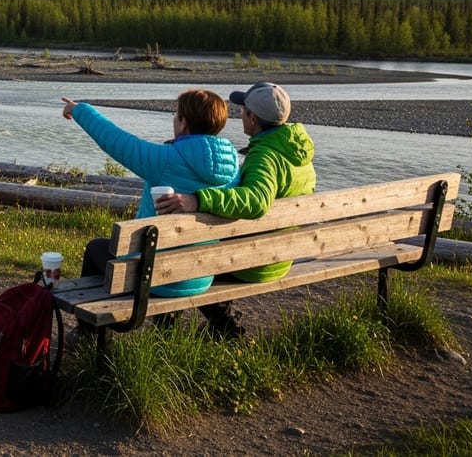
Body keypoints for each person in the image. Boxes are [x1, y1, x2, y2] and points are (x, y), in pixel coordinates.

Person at [154, 81, 317, 336]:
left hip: (256, 260)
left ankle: (186, 328)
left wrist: (199, 199)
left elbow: (257, 200)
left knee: (184, 254)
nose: (239, 114)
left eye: (242, 110)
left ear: (253, 118)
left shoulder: (266, 156)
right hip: (283, 254)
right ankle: (221, 325)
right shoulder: (297, 152)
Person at [62, 89, 241, 299]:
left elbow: (116, 141)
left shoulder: (165, 160)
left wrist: (79, 110)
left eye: (176, 115)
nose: (174, 119)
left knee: (95, 249)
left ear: (183, 123)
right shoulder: (234, 167)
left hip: (156, 277)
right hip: (200, 274)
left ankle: (91, 329)